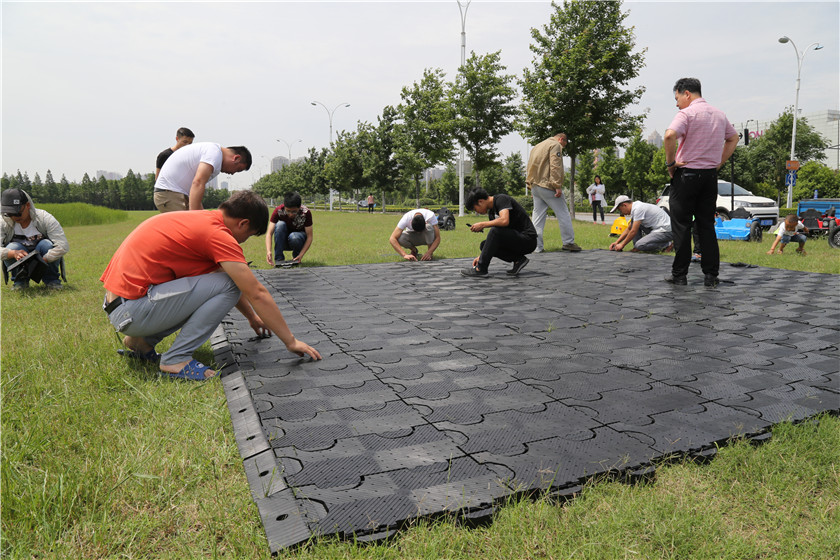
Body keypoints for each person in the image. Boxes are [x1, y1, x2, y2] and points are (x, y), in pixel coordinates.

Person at [100, 190, 322, 381]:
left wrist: (252, 318)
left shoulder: (202, 220)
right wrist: (290, 341)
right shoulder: (217, 234)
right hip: (133, 310)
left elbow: (216, 280)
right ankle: (176, 359)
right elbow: (255, 291)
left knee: (223, 282)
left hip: (122, 306)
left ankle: (140, 342)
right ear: (243, 223)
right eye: (248, 236)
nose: (242, 242)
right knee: (230, 283)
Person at [664, 78, 738, 287]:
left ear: (686, 93)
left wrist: (671, 163)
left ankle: (680, 275)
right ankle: (711, 275)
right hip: (709, 177)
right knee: (706, 225)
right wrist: (718, 163)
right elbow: (733, 138)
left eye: (677, 98)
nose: (676, 103)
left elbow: (669, 136)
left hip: (686, 175)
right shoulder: (719, 114)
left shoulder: (686, 114)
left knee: (682, 226)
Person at [1, 188, 69, 291]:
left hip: (43, 257)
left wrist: (41, 262)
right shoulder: (3, 222)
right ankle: (20, 283)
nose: (14, 217)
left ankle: (52, 282)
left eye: (18, 213)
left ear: (27, 206)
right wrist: (13, 253)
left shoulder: (44, 218)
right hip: (19, 260)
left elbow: (63, 246)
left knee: (46, 244)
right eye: (9, 214)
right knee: (12, 247)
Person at [154, 142, 251, 212]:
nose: (233, 173)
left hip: (174, 193)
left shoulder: (214, 153)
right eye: (237, 169)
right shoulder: (214, 154)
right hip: (170, 193)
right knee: (191, 231)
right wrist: (197, 218)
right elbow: (198, 183)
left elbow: (196, 190)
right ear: (236, 158)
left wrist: (201, 214)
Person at [525, 132, 581, 253]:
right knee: (563, 213)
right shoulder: (555, 145)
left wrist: (530, 185)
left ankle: (537, 246)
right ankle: (568, 242)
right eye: (564, 145)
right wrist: (557, 185)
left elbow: (530, 166)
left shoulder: (537, 146)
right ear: (561, 139)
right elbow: (555, 166)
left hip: (535, 185)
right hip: (547, 185)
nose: (563, 148)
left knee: (537, 217)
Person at [461, 188, 536, 277]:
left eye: (475, 209)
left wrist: (482, 224)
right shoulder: (492, 214)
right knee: (484, 245)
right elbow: (495, 240)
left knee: (494, 231)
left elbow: (504, 220)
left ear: (480, 201)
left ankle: (481, 269)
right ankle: (519, 260)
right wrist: (482, 256)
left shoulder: (501, 199)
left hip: (528, 240)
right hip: (516, 240)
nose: (477, 212)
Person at [608, 195, 673, 253]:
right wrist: (617, 242)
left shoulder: (638, 209)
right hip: (657, 229)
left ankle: (667, 244)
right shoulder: (635, 208)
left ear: (624, 205)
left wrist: (622, 245)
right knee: (635, 225)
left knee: (640, 245)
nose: (621, 212)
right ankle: (637, 248)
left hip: (666, 231)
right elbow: (629, 229)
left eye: (620, 209)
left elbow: (633, 231)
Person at [265, 192, 314, 267]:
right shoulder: (278, 211)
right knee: (280, 225)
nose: (290, 214)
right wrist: (269, 251)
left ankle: (296, 258)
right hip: (282, 241)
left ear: (299, 207)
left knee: (294, 236)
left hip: (297, 240)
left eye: (294, 211)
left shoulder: (306, 213)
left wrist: (301, 254)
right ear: (284, 206)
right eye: (288, 211)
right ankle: (279, 260)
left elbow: (309, 237)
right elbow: (269, 233)